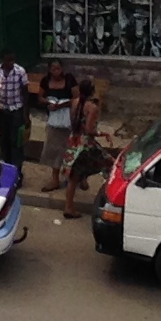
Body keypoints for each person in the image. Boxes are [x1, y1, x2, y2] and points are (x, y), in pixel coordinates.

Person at [60, 72, 115, 221]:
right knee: (111, 165)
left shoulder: (74, 103)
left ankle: (69, 206)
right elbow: (90, 130)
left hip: (74, 140)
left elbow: (74, 124)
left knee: (74, 175)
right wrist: (102, 133)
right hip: (86, 144)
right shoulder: (92, 107)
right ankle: (112, 200)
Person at [0, 54, 30, 172]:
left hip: (16, 110)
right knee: (4, 140)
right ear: (2, 60)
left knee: (16, 142)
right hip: (2, 110)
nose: (11, 63)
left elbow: (25, 93)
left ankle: (17, 172)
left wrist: (26, 115)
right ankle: (7, 169)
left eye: (13, 60)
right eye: (8, 60)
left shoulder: (20, 71)